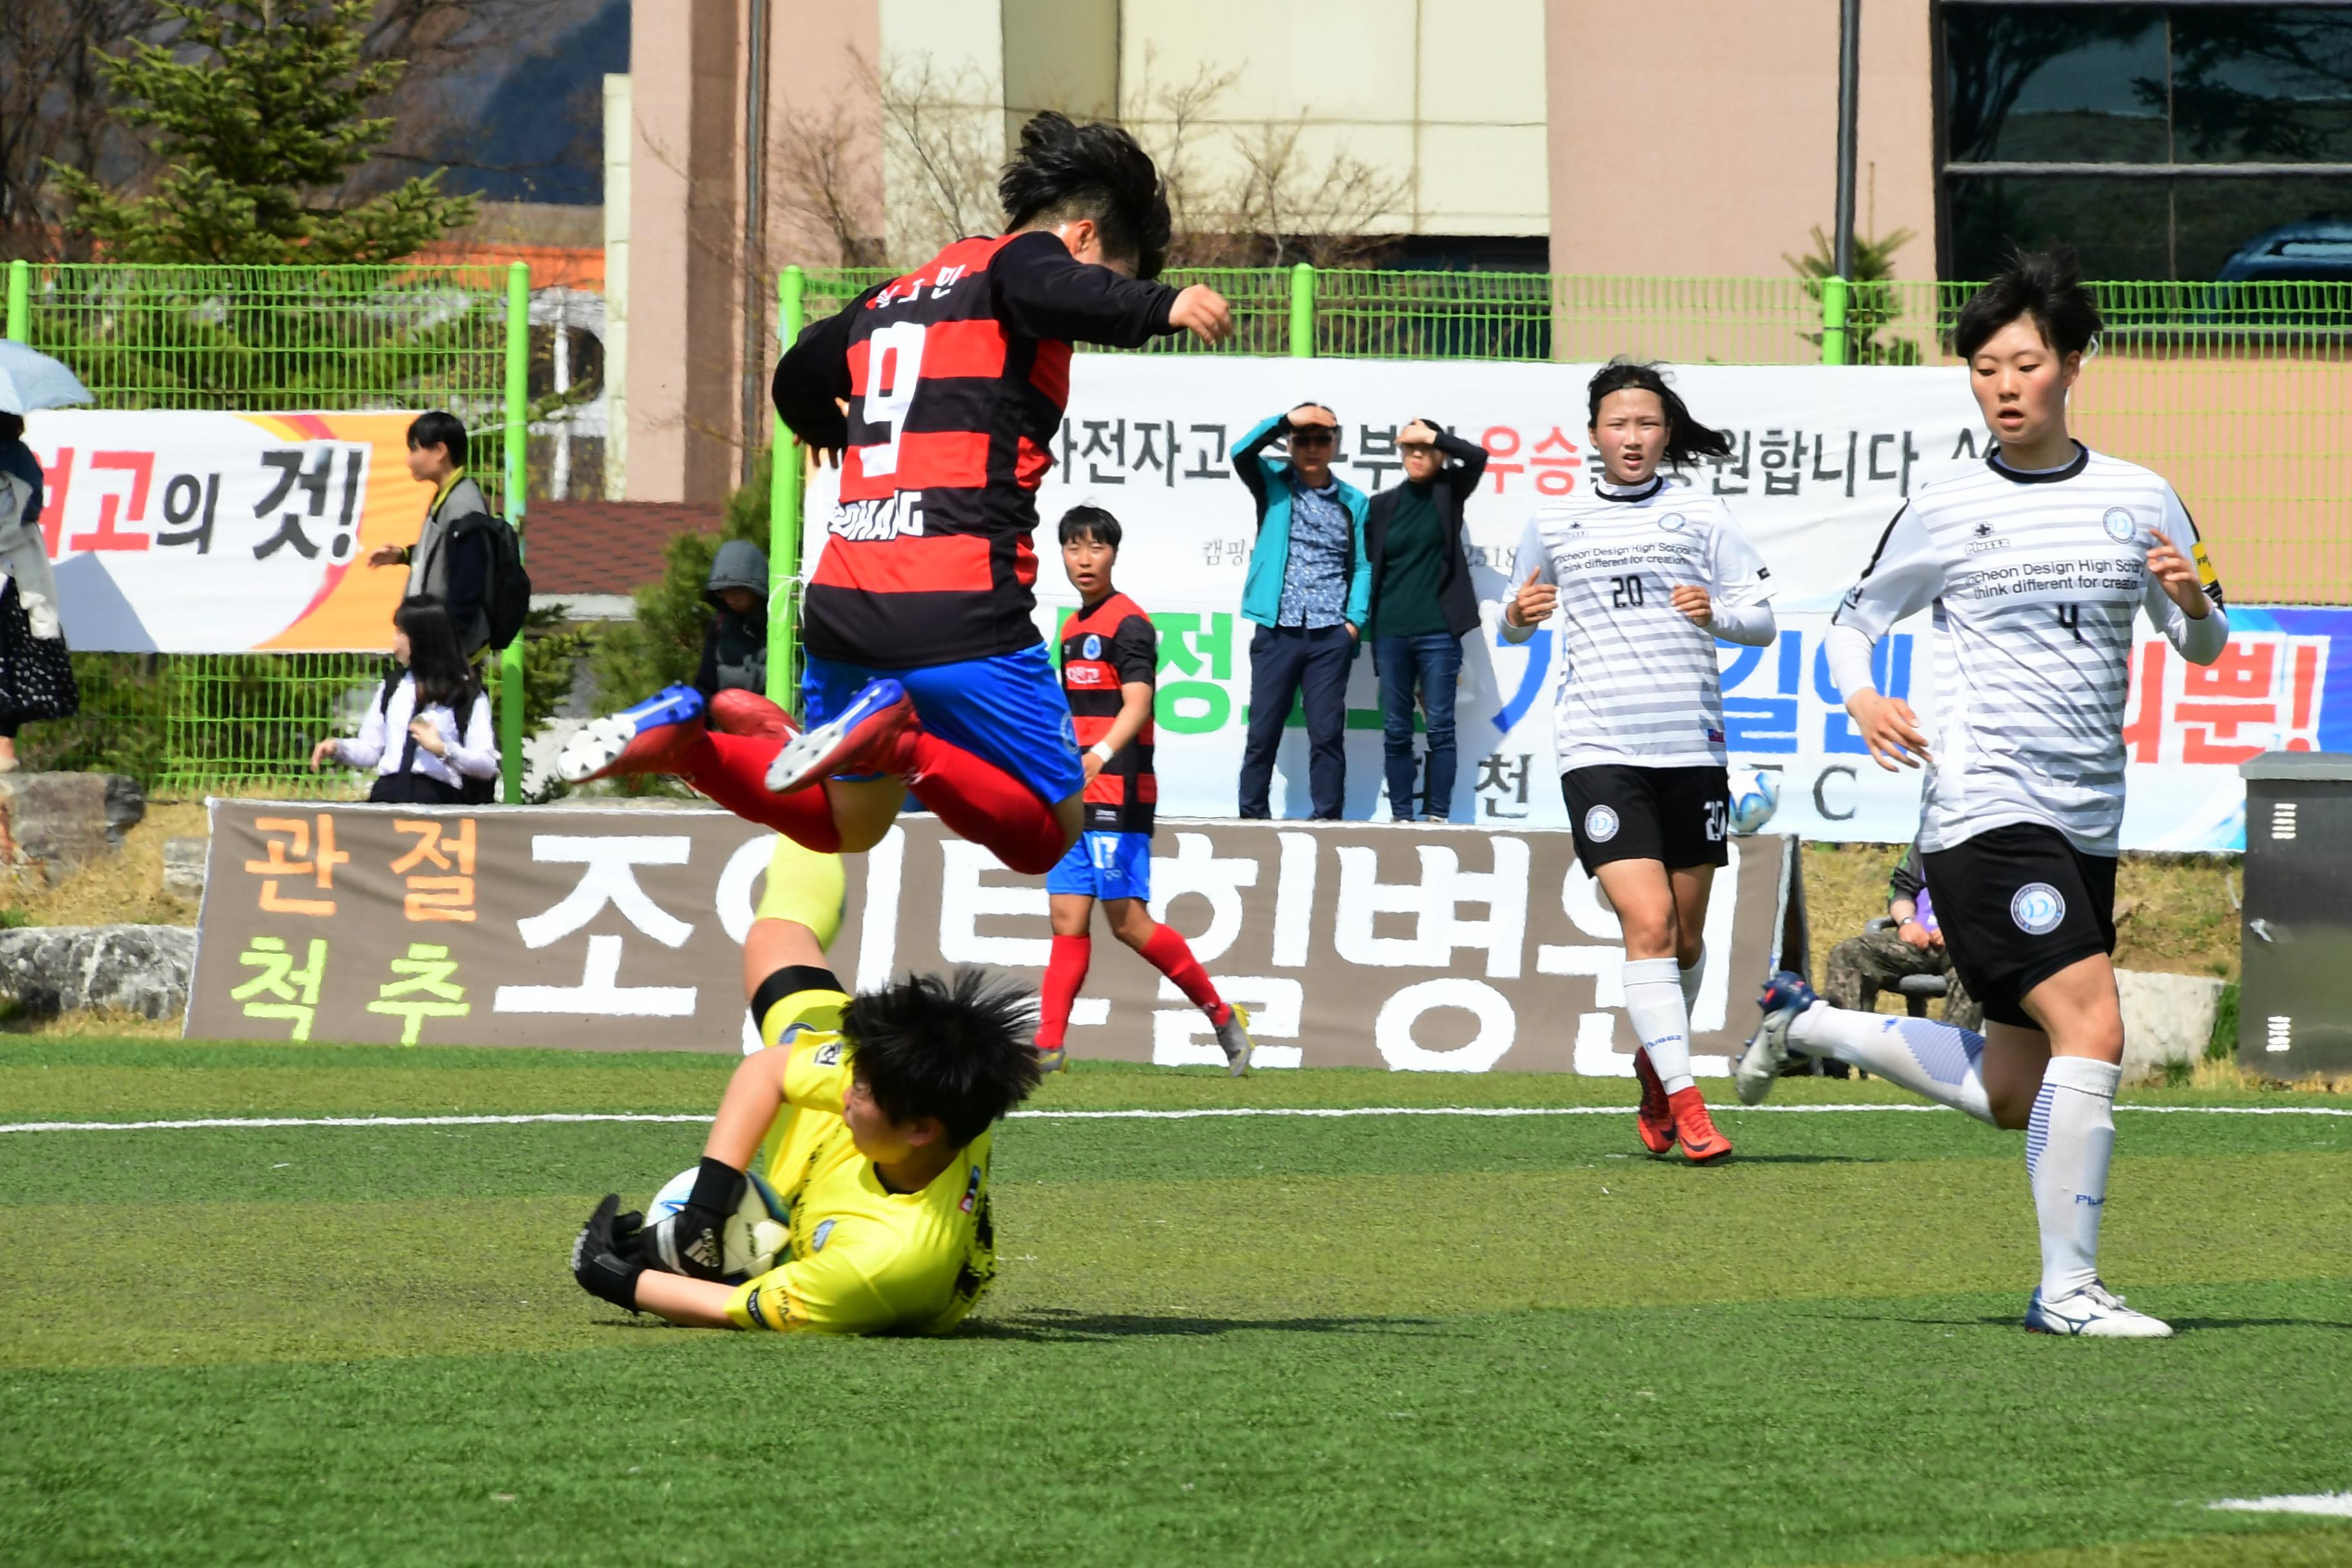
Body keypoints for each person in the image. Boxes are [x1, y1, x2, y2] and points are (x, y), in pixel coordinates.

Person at [1738, 248, 2230, 1338]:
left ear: (2070, 364)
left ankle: (1807, 1022)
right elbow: (1853, 622)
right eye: (1982, 369)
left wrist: (2192, 603)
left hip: (2085, 820)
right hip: (1979, 812)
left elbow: (2204, 645)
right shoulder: (1945, 503)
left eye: (2023, 363)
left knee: (2017, 1087)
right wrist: (1863, 696)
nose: (2003, 386)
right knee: (2092, 1025)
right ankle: (2066, 1290)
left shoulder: (2139, 496)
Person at [554, 112, 1232, 877]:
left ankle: (685, 743)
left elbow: (799, 374)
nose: (1090, 298)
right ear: (1078, 239)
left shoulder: (888, 298)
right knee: (1053, 828)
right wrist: (1156, 306)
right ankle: (901, 741)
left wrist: (830, 429)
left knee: (848, 822)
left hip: (847, 605)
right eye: (1107, 275)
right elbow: (1051, 283)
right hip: (959, 606)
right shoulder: (1026, 264)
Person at [571, 836, 1044, 1335]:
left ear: (921, 1130)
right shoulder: (929, 1086)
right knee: (776, 938)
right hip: (833, 1145)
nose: (844, 1089)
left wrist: (613, 1276)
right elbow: (767, 1071)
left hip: (820, 1247)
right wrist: (705, 1208)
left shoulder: (882, 1266)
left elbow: (731, 1306)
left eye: (860, 1089)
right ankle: (813, 812)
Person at [1500, 361, 1777, 1163]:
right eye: (1618, 424)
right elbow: (1516, 621)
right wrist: (1517, 613)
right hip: (1599, 750)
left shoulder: (1701, 514)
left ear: (1665, 432)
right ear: (1593, 433)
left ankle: (1656, 1076)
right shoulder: (1556, 519)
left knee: (1685, 941)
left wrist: (1717, 612)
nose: (1633, 437)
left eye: (1647, 424)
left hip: (1691, 750)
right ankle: (1691, 1108)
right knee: (1647, 924)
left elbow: (1760, 618)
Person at [1035, 505, 1253, 1075]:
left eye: (1096, 547)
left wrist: (1100, 756)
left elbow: (1138, 704)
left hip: (1119, 790)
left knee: (1127, 921)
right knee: (1065, 917)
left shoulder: (1128, 623)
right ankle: (1048, 1046)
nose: (1084, 559)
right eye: (1073, 547)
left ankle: (1221, 1014)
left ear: (1114, 553)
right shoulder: (1070, 626)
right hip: (1075, 789)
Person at [1233, 402, 1371, 820]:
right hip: (1277, 629)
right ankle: (1251, 817)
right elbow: (1241, 453)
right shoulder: (1273, 485)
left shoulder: (1354, 501)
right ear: (1290, 444)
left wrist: (1353, 622)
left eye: (1321, 439)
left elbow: (1364, 564)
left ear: (1335, 444)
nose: (1311, 448)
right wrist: (1285, 419)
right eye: (1302, 439)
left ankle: (1327, 818)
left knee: (1326, 734)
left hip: (1330, 632)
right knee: (1263, 733)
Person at [1364, 417, 1489, 821]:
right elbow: (1369, 562)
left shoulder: (1449, 492)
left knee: (1440, 727)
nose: (1417, 455)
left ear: (1440, 454)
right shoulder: (1381, 506)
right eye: (1410, 448)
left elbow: (1477, 457)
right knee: (1397, 729)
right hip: (1391, 630)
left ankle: (1438, 814)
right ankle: (1401, 815)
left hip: (1438, 630)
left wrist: (1433, 435)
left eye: (1426, 448)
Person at [309, 596, 497, 803]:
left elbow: (486, 766)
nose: (394, 641)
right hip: (387, 795)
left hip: (437, 801)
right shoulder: (393, 685)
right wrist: (338, 748)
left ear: (423, 638)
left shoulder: (467, 694)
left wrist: (444, 749)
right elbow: (371, 749)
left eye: (401, 633)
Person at [1819, 841, 1982, 1032]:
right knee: (1849, 954)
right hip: (1918, 942)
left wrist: (1962, 930)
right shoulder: (1928, 839)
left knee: (1977, 968)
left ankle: (1950, 1055)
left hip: (1969, 945)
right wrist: (1906, 923)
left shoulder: (2002, 839)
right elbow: (1901, 890)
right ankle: (1839, 1051)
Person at [368, 411, 492, 658]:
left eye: (414, 450)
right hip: (440, 650)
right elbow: (444, 553)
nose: (408, 460)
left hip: (451, 656)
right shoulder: (448, 497)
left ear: (439, 451)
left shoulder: (463, 506)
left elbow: (467, 583)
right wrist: (403, 555)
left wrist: (449, 648)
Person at [0, 411, 77, 772]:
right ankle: (4, 752)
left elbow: (29, 509)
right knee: (10, 668)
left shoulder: (15, 455)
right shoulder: (18, 456)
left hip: (11, 575)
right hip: (14, 573)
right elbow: (31, 508)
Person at [694, 540, 770, 701]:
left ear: (756, 589)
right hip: (731, 723)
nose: (732, 598)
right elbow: (705, 686)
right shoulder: (720, 624)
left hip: (779, 722)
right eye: (724, 592)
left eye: (738, 590)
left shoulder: (783, 624)